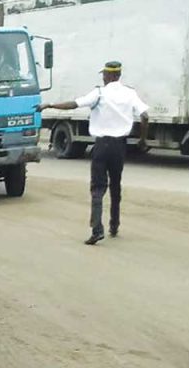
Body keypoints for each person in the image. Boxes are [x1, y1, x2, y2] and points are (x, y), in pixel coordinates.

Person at [37, 61, 150, 246]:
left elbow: (74, 104)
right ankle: (115, 224)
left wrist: (49, 104)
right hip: (120, 146)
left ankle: (97, 229)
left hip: (102, 145)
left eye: (104, 74)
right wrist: (143, 140)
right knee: (116, 185)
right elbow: (145, 116)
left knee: (97, 188)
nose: (103, 78)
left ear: (111, 75)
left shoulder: (99, 93)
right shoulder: (130, 93)